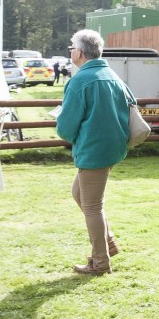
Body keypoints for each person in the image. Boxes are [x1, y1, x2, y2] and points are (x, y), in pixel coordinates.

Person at [56, 29, 131, 276]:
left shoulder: (79, 80)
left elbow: (66, 127)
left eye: (71, 48)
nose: (70, 52)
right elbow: (131, 103)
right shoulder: (111, 74)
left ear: (79, 52)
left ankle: (100, 262)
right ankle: (108, 243)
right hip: (111, 148)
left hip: (93, 150)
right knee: (79, 193)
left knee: (92, 206)